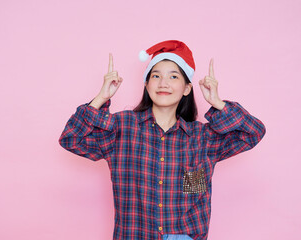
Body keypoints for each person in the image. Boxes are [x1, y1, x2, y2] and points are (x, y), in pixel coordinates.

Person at [58, 40, 266, 240]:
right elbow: (71, 139)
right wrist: (100, 99)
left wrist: (218, 103)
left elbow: (254, 132)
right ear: (147, 85)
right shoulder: (121, 128)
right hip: (134, 234)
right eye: (156, 76)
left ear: (186, 88)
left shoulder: (203, 138)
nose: (163, 83)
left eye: (174, 77)